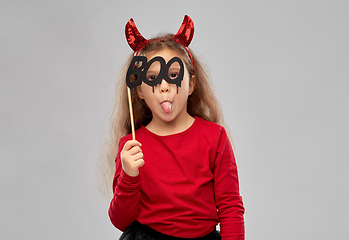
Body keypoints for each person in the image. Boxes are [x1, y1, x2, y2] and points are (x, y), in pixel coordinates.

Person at [102, 15, 245, 240]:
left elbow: (230, 208)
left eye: (174, 75)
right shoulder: (132, 145)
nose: (164, 87)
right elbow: (121, 221)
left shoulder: (214, 137)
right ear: (139, 91)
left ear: (191, 85)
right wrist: (129, 176)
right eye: (152, 78)